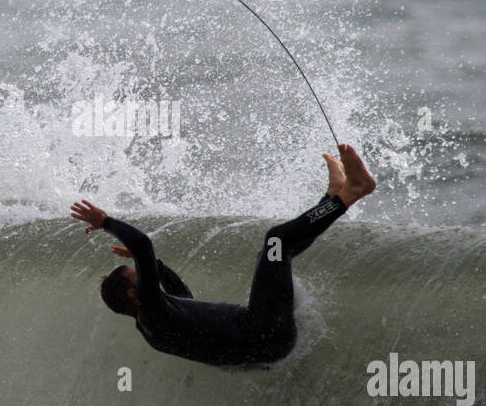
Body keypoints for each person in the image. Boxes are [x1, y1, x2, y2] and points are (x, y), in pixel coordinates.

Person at [70, 144, 376, 367]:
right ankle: (353, 190)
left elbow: (182, 295)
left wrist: (158, 267)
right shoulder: (149, 307)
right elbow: (142, 245)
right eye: (136, 272)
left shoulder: (152, 327)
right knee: (276, 239)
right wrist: (105, 222)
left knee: (276, 251)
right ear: (131, 291)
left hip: (270, 344)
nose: (142, 270)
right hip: (265, 329)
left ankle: (332, 196)